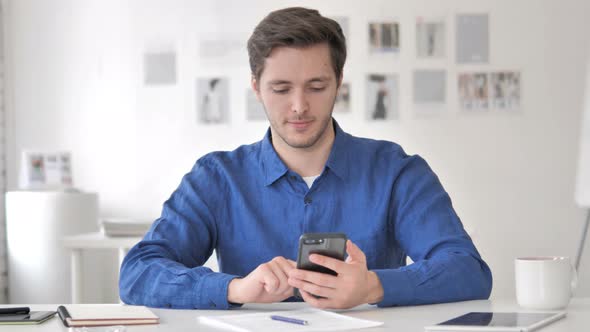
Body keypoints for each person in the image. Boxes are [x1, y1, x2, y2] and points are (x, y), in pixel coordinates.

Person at [119, 7, 492, 310]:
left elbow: (469, 271)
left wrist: (373, 286)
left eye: (316, 86)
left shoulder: (396, 171)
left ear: (339, 81)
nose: (299, 107)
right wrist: (234, 289)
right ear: (256, 88)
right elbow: (137, 273)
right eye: (280, 89)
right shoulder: (216, 178)